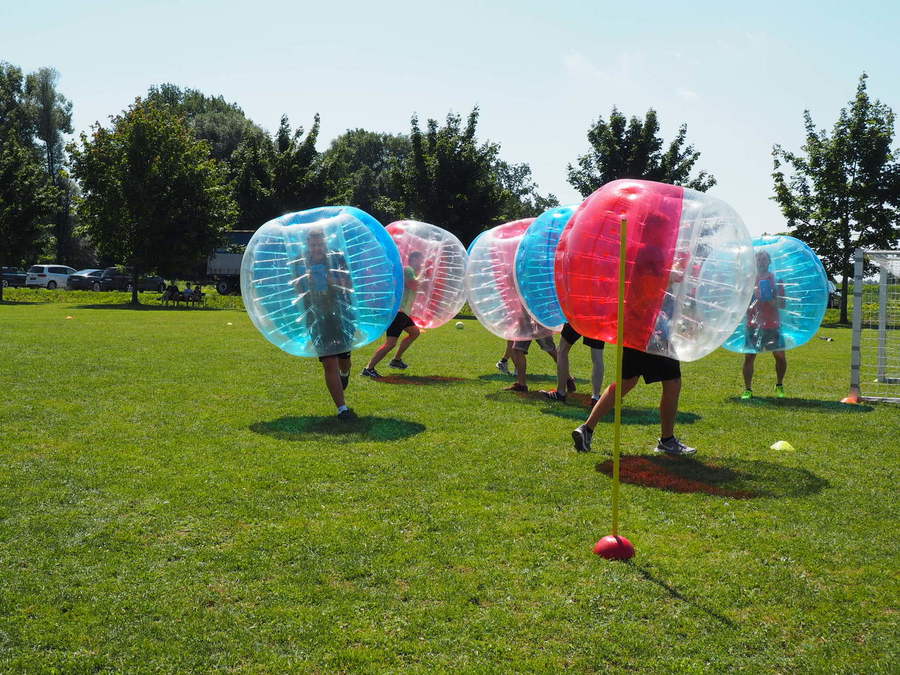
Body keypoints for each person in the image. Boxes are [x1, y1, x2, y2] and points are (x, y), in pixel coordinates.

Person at [572, 346, 695, 455]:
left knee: (626, 382)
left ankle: (586, 429)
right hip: (656, 337)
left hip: (634, 336)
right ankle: (667, 440)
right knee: (673, 382)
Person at [300, 228, 356, 420]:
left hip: (340, 314)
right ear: (308, 244)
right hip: (316, 316)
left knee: (343, 358)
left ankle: (345, 372)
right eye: (313, 244)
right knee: (329, 361)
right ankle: (342, 409)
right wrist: (306, 282)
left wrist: (333, 280)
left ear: (325, 243)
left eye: (320, 244)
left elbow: (349, 285)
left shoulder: (337, 259)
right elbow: (297, 290)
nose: (317, 248)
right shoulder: (302, 262)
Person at [362, 251, 427, 378]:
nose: (422, 262)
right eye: (420, 259)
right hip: (399, 312)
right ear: (413, 260)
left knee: (414, 332)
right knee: (390, 343)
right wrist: (425, 274)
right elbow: (413, 285)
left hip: (404, 313)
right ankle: (368, 368)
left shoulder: (413, 273)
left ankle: (396, 361)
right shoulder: (408, 270)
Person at [741, 250, 787, 400]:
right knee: (749, 357)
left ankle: (779, 384)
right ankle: (748, 389)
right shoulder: (748, 281)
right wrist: (751, 297)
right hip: (753, 325)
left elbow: (783, 304)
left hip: (772, 324)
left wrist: (768, 298)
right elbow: (741, 303)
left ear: (769, 261)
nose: (761, 262)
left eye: (764, 259)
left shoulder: (776, 280)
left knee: (780, 357)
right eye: (759, 259)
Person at [540, 322, 603, 404]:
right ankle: (596, 397)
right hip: (597, 320)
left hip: (579, 318)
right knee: (597, 357)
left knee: (562, 351)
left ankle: (560, 392)